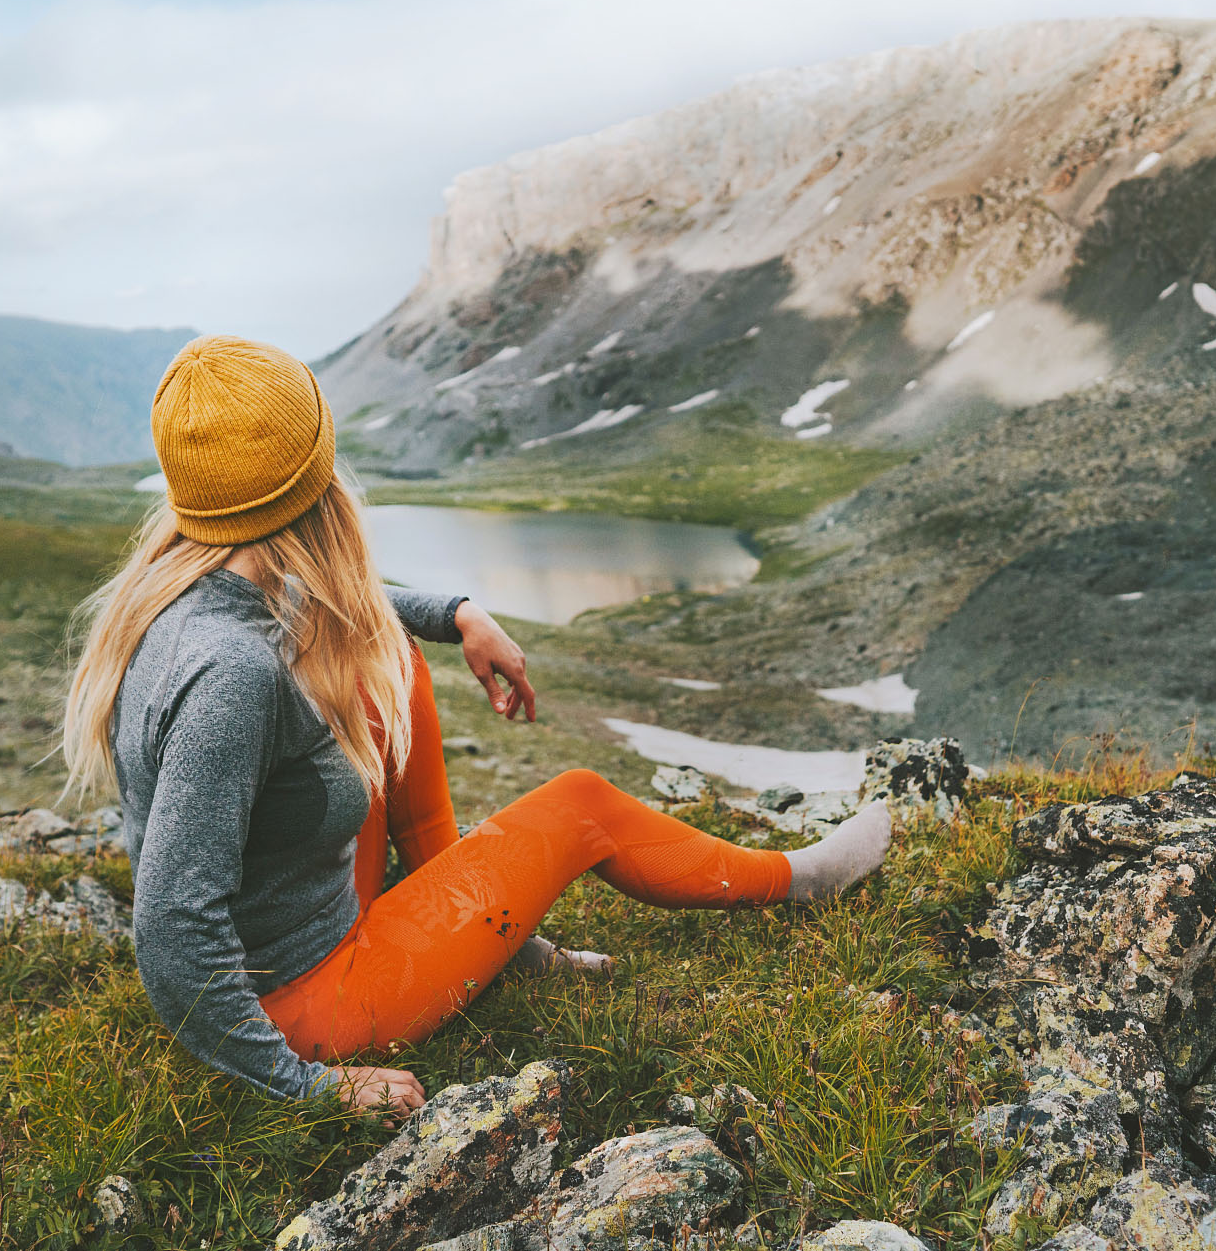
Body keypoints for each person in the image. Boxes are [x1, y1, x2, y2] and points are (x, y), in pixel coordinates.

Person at [59, 336, 894, 1114]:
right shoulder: (230, 677)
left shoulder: (194, 581)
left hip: (306, 918)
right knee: (580, 806)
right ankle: (799, 879)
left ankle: (480, 931)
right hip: (306, 1003)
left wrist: (455, 613)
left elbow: (332, 603)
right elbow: (170, 926)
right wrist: (306, 1088)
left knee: (389, 654)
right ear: (313, 482)